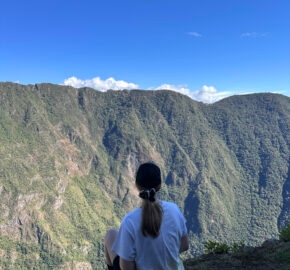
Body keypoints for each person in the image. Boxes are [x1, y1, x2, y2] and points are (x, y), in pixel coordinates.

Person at [104, 162, 189, 270]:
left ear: (137, 185)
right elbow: (185, 245)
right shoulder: (174, 210)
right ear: (160, 185)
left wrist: (142, 259)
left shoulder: (129, 221)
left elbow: (126, 268)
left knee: (111, 235)